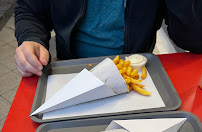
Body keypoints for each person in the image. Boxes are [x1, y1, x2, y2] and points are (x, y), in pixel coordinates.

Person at [14, 0, 202, 77]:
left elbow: (193, 39)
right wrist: (32, 39)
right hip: (70, 70)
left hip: (136, 71)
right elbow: (31, 10)